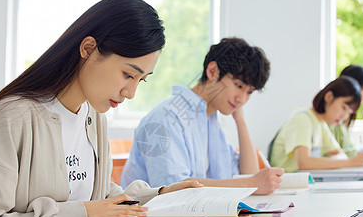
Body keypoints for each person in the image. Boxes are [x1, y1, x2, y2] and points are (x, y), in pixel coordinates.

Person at [0, 0, 202, 217]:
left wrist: (162, 195)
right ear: (88, 48)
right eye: (128, 74)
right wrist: (81, 213)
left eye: (141, 80)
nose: (131, 93)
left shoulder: (93, 117)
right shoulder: (14, 118)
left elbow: (102, 197)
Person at [121, 37, 284, 194]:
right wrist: (250, 183)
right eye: (238, 85)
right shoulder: (167, 118)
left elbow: (249, 177)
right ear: (212, 71)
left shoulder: (209, 122)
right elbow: (173, 189)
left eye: (249, 92)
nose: (242, 99)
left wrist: (240, 120)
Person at [269, 76, 363, 172]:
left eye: (349, 112)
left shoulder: (321, 123)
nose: (344, 117)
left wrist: (348, 161)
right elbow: (304, 162)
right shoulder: (302, 119)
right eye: (344, 108)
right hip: (287, 184)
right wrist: (351, 162)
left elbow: (339, 154)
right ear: (329, 97)